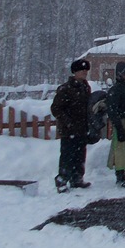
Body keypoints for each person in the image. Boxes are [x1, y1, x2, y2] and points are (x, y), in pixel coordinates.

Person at [50, 58, 93, 193]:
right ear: (75, 72)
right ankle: (62, 179)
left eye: (86, 70)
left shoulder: (86, 87)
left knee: (80, 155)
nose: (84, 73)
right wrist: (67, 122)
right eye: (82, 70)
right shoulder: (66, 89)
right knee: (67, 155)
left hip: (82, 127)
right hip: (69, 130)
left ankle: (77, 178)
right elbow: (56, 108)